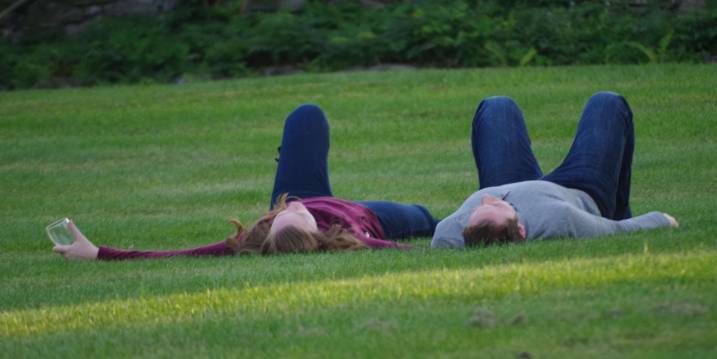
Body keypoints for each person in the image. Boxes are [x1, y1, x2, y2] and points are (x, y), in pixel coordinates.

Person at [55, 104, 439, 260]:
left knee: (306, 116)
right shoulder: (356, 237)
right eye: (297, 216)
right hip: (371, 214)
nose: (292, 208)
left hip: (313, 190)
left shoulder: (281, 215)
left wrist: (98, 253)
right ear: (318, 234)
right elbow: (403, 248)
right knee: (425, 217)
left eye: (277, 219)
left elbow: (182, 255)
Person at [431, 92, 678, 249]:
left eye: (480, 208)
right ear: (521, 230)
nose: (487, 198)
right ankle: (619, 210)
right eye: (497, 206)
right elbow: (617, 232)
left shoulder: (450, 233)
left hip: (509, 179)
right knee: (607, 103)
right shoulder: (559, 220)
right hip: (576, 188)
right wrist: (662, 220)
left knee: (497, 106)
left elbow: (448, 236)